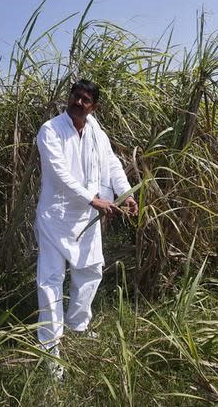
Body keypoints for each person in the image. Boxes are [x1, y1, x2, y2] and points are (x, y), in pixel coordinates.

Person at [34, 79, 138, 378]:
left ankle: (77, 326)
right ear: (69, 98)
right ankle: (50, 350)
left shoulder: (96, 131)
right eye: (76, 96)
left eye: (86, 100)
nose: (79, 102)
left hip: (89, 217)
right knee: (50, 281)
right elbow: (60, 174)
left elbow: (112, 164)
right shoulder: (50, 130)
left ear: (94, 107)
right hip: (56, 217)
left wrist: (127, 194)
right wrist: (93, 200)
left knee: (90, 270)